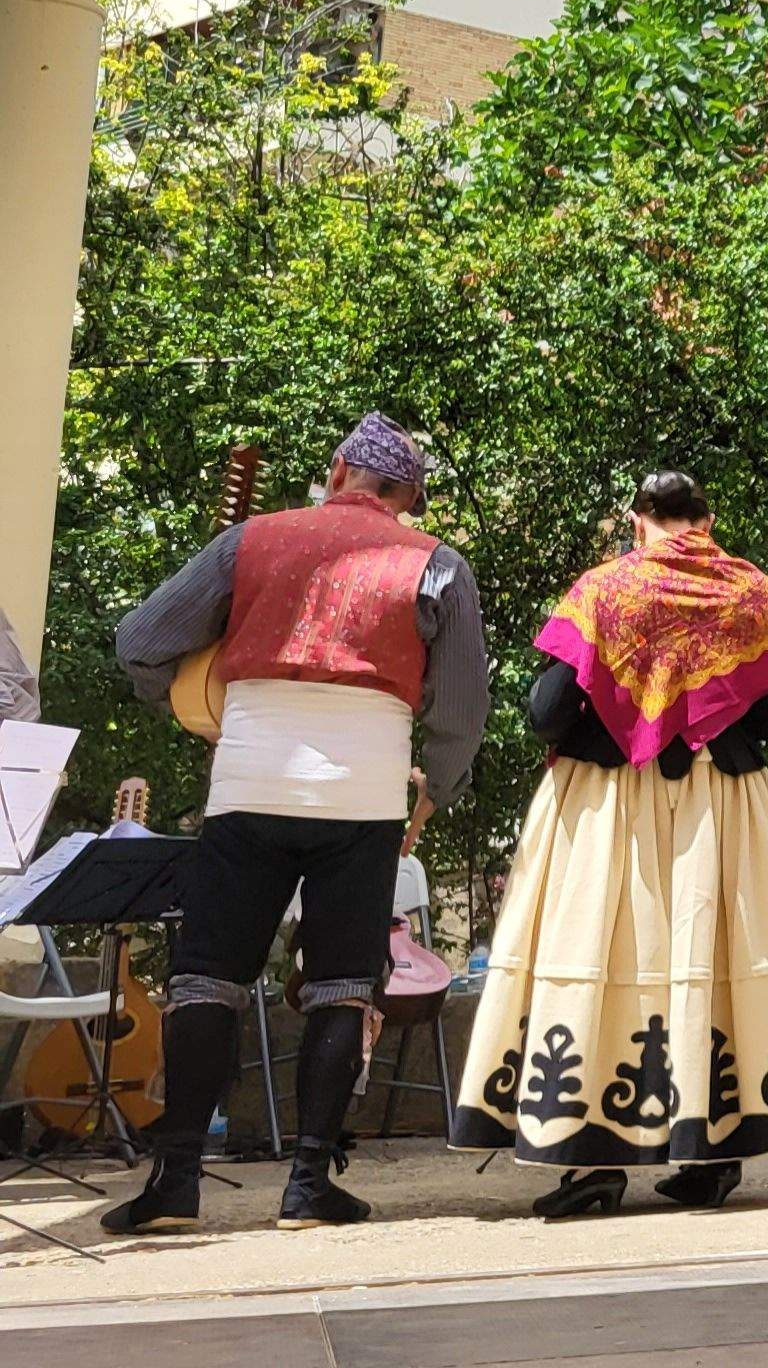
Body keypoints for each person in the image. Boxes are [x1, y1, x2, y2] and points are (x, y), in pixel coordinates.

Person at [101, 414, 493, 1234]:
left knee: (207, 975)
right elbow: (459, 713)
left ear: (340, 468)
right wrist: (435, 795)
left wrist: (194, 704)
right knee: (343, 983)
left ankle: (175, 1182)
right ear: (407, 498)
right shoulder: (439, 566)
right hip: (363, 796)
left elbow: (139, 640)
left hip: (248, 782)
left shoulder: (250, 540)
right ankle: (308, 1186)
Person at [452, 472, 768, 1216]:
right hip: (720, 803)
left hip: (611, 805)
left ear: (638, 522)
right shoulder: (749, 593)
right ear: (706, 519)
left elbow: (547, 712)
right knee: (717, 960)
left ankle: (593, 1163)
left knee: (603, 957)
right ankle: (713, 1156)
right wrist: (709, 720)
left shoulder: (607, 592)